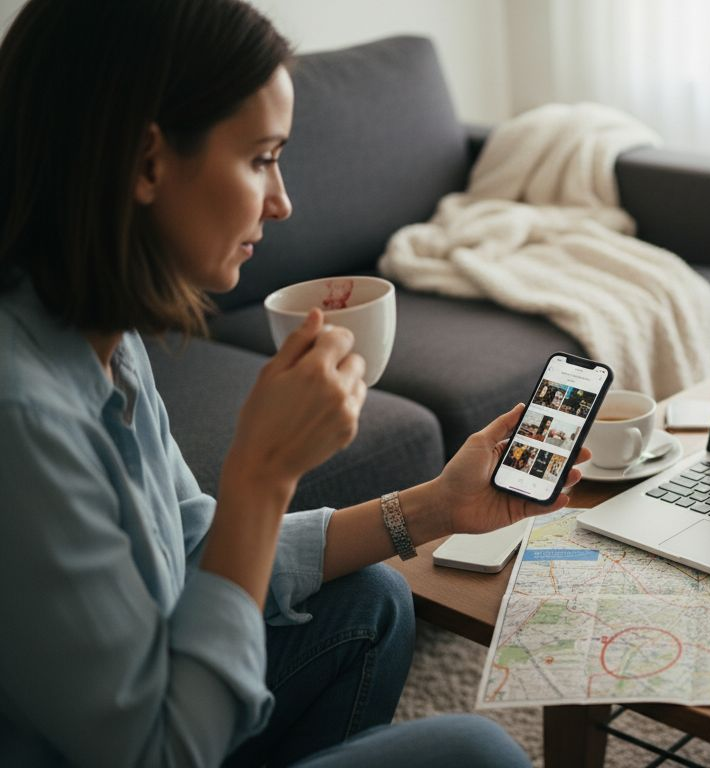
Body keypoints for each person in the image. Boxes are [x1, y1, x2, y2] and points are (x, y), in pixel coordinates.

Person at [0, 1, 587, 765]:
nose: (282, 202)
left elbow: (194, 549)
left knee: (370, 599)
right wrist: (261, 472)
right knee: (480, 753)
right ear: (146, 163)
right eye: (260, 158)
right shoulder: (23, 417)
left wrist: (438, 505)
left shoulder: (96, 333)